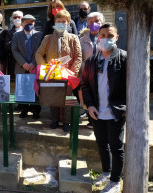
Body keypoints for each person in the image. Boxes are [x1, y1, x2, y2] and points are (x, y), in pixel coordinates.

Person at [81, 23, 126, 193]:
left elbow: (131, 85)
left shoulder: (123, 58)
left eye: (110, 35)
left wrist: (125, 108)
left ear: (117, 37)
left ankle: (115, 181)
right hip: (97, 111)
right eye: (103, 35)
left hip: (116, 111)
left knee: (116, 147)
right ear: (98, 37)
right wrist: (90, 105)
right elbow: (84, 84)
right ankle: (106, 172)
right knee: (101, 143)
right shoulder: (92, 60)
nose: (106, 39)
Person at [35, 10, 82, 132]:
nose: (61, 23)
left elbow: (78, 56)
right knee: (53, 96)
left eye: (63, 21)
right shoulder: (48, 38)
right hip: (52, 73)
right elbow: (39, 53)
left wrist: (72, 73)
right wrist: (45, 69)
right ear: (54, 22)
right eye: (58, 21)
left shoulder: (73, 38)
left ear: (68, 23)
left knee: (67, 98)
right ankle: (54, 119)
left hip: (67, 74)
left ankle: (66, 121)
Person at [12, 14, 42, 119]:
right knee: (23, 89)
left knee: (36, 90)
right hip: (21, 67)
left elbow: (41, 51)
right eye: (27, 22)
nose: (29, 24)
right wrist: (23, 63)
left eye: (31, 22)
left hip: (35, 66)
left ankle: (36, 111)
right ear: (22, 23)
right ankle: (24, 110)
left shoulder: (39, 35)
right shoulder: (16, 35)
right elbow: (14, 50)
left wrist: (33, 63)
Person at [78, 12, 105, 128]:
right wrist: (86, 68)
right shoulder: (82, 40)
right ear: (88, 24)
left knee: (101, 95)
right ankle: (91, 119)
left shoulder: (106, 38)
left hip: (102, 72)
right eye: (91, 22)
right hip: (86, 73)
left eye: (97, 21)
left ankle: (101, 118)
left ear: (102, 23)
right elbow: (79, 57)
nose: (94, 24)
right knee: (88, 96)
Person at [5, 10, 24, 79]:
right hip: (13, 61)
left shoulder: (27, 30)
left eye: (19, 17)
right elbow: (6, 46)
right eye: (15, 17)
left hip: (26, 61)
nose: (17, 19)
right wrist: (15, 40)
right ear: (12, 19)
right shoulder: (9, 32)